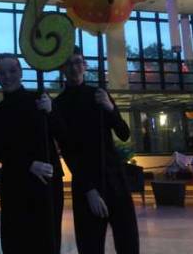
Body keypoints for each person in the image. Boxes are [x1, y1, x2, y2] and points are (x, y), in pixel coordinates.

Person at [52, 46, 139, 254]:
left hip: (114, 177)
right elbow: (69, 151)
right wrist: (89, 190)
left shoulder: (99, 94)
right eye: (68, 63)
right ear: (62, 68)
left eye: (78, 62)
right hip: (85, 183)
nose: (74, 68)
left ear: (85, 65)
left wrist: (110, 108)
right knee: (90, 244)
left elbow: (124, 133)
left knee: (127, 240)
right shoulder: (59, 105)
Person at [0, 54, 63, 254]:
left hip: (47, 181)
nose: (7, 76)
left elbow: (63, 134)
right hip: (16, 183)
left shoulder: (40, 100)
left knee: (47, 241)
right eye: (1, 73)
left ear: (21, 72)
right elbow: (0, 150)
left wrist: (51, 112)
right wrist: (29, 164)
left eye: (12, 71)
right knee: (16, 241)